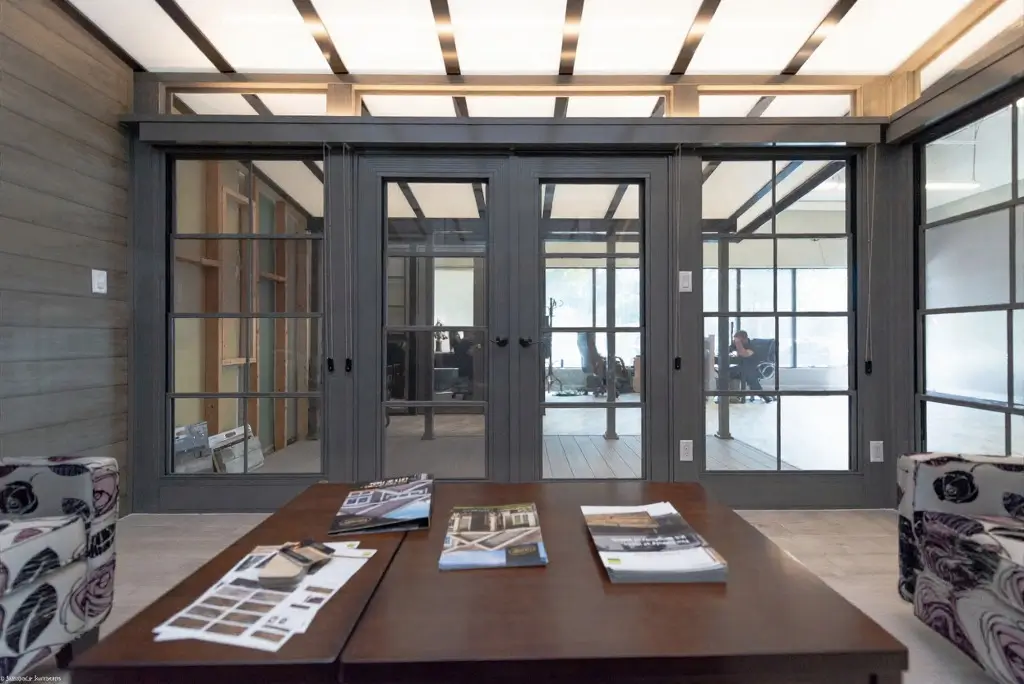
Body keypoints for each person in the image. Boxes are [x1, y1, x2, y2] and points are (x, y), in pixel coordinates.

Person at [731, 330, 773, 403]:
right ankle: (729, 395)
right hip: (742, 367)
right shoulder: (737, 345)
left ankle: (762, 395)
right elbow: (727, 351)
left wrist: (738, 344)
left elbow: (744, 354)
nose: (736, 342)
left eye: (738, 340)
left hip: (756, 368)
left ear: (744, 339)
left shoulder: (753, 346)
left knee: (748, 374)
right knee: (725, 372)